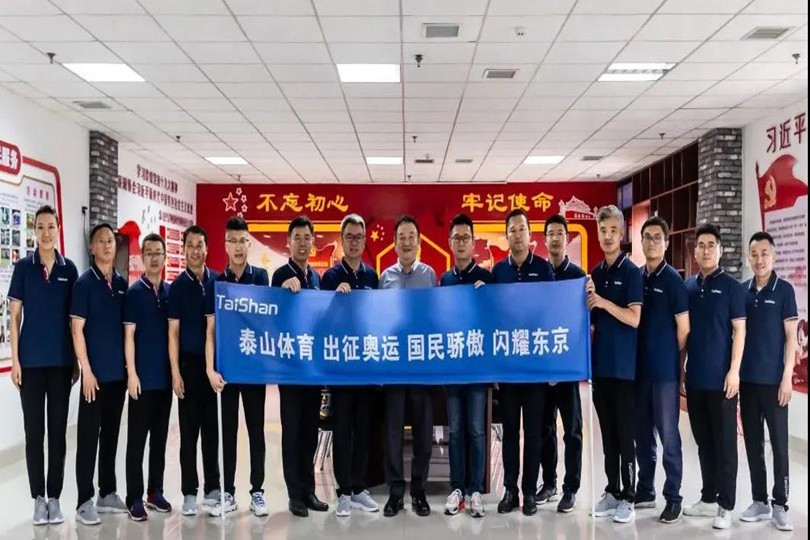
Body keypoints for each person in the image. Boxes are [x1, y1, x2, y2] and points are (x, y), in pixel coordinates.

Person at [8, 205, 79, 525]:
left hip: (61, 364)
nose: (46, 233)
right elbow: (14, 317)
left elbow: (75, 321)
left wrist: (76, 360)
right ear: (34, 230)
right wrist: (15, 360)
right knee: (34, 432)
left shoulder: (69, 270)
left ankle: (55, 497)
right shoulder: (24, 268)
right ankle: (39, 498)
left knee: (58, 433)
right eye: (40, 227)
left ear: (58, 228)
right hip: (32, 365)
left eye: (51, 226)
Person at [205, 216, 270, 517]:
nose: (239, 246)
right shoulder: (217, 283)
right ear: (225, 245)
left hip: (254, 370)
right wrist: (211, 369)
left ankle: (257, 491)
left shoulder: (261, 278)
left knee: (256, 431)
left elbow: (268, 319)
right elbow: (211, 331)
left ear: (249, 244)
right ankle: (227, 493)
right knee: (227, 433)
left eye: (243, 240)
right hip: (227, 371)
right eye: (233, 241)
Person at [683, 223, 746, 530]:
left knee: (725, 445)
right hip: (695, 379)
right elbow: (684, 332)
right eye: (701, 245)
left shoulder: (732, 287)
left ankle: (726, 505)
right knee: (704, 442)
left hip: (723, 381)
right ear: (695, 252)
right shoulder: (688, 288)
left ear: (720, 250)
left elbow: (740, 330)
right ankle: (708, 498)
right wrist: (681, 369)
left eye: (711, 245)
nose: (706, 250)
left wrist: (734, 371)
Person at [491, 208, 554, 516]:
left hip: (536, 367)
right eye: (512, 230)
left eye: (522, 229)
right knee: (510, 433)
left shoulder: (543, 269)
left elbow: (553, 314)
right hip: (508, 368)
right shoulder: (498, 272)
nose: (517, 235)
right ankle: (510, 490)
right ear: (507, 236)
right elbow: (492, 319)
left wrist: (553, 364)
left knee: (533, 432)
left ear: (530, 235)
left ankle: (529, 491)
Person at [320, 214, 380, 518]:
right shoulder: (329, 278)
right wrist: (335, 300)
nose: (354, 242)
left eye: (359, 237)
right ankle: (343, 492)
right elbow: (321, 320)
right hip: (341, 369)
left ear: (364, 241)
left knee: (364, 430)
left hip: (366, 367)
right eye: (349, 237)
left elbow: (379, 318)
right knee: (342, 431)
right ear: (342, 240)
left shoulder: (372, 277)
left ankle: (358, 488)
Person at [587, 205, 643, 524]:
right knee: (608, 436)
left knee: (625, 436)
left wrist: (604, 302)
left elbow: (634, 318)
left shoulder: (631, 272)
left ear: (621, 234)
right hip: (601, 369)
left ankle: (629, 497)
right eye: (603, 231)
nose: (607, 236)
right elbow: (592, 321)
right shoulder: (595, 274)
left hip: (624, 371)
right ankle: (612, 491)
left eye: (613, 231)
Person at [70, 223, 129, 525]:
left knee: (111, 436)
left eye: (110, 241)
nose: (107, 245)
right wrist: (87, 371)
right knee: (88, 438)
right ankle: (84, 500)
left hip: (118, 376)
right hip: (94, 378)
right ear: (92, 248)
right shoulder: (84, 284)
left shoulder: (121, 283)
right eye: (101, 241)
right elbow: (76, 330)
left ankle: (107, 492)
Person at [739, 231, 798, 532]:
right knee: (753, 444)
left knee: (779, 446)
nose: (759, 259)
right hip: (747, 382)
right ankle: (759, 500)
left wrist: (787, 378)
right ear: (749, 257)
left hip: (775, 384)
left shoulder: (784, 290)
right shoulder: (743, 291)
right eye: (754, 254)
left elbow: (792, 339)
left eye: (764, 253)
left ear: (773, 256)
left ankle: (780, 504)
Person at [379, 215, 437, 518]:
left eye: (411, 236)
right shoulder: (385, 277)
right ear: (394, 242)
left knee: (423, 434)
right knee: (393, 433)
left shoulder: (430, 276)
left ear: (419, 241)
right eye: (401, 236)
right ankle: (395, 493)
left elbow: (437, 317)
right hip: (393, 366)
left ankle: (419, 491)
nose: (406, 242)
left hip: (421, 365)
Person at [271, 215, 328, 518]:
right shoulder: (280, 275)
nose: (303, 243)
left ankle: (309, 490)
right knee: (292, 431)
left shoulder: (316, 278)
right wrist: (282, 290)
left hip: (312, 370)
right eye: (297, 238)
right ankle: (294, 494)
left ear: (313, 242)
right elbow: (273, 315)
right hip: (290, 369)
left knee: (309, 432)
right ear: (288, 242)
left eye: (307, 238)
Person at [634, 216, 689, 524]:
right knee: (642, 435)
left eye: (658, 238)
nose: (652, 242)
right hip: (639, 372)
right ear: (641, 242)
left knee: (669, 436)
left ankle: (673, 496)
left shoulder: (673, 280)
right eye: (648, 237)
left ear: (666, 244)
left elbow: (684, 329)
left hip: (665, 373)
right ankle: (645, 489)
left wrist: (669, 353)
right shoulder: (637, 277)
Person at [439, 213, 491, 519]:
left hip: (478, 367)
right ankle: (457, 488)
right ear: (449, 243)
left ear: (473, 243)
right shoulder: (444, 280)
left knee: (475, 429)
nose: (461, 243)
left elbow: (495, 318)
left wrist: (487, 297)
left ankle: (475, 490)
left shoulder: (485, 278)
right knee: (456, 430)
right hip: (452, 368)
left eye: (465, 238)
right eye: (456, 238)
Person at [168, 225, 221, 516]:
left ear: (207, 249)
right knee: (188, 435)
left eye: (200, 245)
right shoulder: (178, 287)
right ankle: (190, 492)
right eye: (190, 245)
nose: (195, 250)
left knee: (212, 432)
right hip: (188, 366)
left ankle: (213, 488)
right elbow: (173, 333)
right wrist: (175, 372)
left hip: (213, 370)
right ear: (184, 249)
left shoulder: (217, 281)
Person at [537, 214, 585, 514]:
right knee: (544, 429)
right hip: (542, 366)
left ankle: (571, 487)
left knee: (573, 431)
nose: (555, 239)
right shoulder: (539, 274)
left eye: (560, 234)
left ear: (566, 238)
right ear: (544, 240)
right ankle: (549, 483)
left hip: (567, 367)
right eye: (550, 234)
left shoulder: (579, 277)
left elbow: (582, 323)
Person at [123, 233, 173, 521]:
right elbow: (128, 337)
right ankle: (134, 497)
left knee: (160, 440)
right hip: (141, 381)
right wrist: (131, 374)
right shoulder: (134, 294)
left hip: (164, 381)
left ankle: (155, 491)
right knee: (136, 442)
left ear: (165, 257)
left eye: (159, 253)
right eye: (149, 253)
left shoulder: (169, 294)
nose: (154, 258)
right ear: (143, 258)